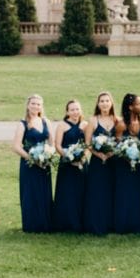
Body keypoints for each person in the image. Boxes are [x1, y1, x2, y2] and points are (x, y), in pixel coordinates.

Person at [11, 94, 53, 233]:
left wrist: (48, 155)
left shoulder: (46, 121)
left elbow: (51, 143)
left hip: (44, 164)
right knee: (30, 193)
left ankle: (45, 224)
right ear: (28, 105)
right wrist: (33, 159)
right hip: (29, 164)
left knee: (43, 192)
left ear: (42, 106)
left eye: (38, 104)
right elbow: (16, 147)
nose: (36, 106)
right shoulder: (23, 124)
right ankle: (31, 225)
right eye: (33, 104)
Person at [83, 91, 120, 235]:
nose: (104, 103)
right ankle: (97, 223)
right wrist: (99, 154)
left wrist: (110, 153)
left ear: (111, 103)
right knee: (98, 191)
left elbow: (120, 141)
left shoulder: (117, 120)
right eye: (102, 101)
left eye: (107, 101)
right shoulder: (93, 120)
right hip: (98, 162)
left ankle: (112, 223)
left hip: (113, 161)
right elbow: (88, 143)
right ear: (98, 104)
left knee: (113, 189)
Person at [52, 99, 87, 232]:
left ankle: (80, 222)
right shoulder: (62, 125)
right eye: (72, 109)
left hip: (82, 163)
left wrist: (82, 157)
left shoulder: (85, 124)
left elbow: (88, 144)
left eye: (77, 109)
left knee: (81, 191)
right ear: (67, 111)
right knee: (67, 192)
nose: (75, 112)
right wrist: (68, 156)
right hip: (66, 164)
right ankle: (65, 223)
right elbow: (57, 145)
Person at [112, 93, 140, 234]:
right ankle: (121, 224)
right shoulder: (121, 124)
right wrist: (126, 152)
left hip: (136, 163)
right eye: (138, 104)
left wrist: (138, 152)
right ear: (131, 107)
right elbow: (116, 144)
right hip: (123, 164)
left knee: (136, 192)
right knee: (123, 192)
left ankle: (135, 223)